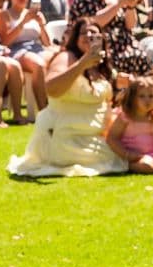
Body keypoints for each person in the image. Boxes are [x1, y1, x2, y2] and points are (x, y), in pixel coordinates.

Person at [7, 19, 127, 177]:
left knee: (127, 149)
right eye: (84, 33)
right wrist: (82, 64)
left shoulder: (102, 67)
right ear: (76, 38)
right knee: (121, 158)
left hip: (92, 136)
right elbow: (51, 89)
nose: (89, 36)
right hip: (64, 137)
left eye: (94, 33)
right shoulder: (66, 57)